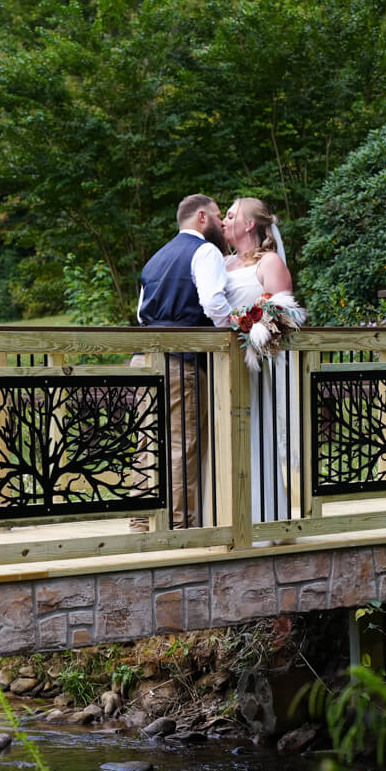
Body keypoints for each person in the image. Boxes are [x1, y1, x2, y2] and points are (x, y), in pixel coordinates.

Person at [131, 194, 240, 530]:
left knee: (147, 443)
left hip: (144, 358)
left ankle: (141, 523)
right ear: (202, 217)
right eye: (219, 216)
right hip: (181, 361)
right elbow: (212, 303)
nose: (222, 224)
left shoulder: (155, 258)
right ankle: (181, 528)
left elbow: (141, 314)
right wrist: (236, 329)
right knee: (181, 445)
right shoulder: (205, 251)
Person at [221, 197, 304, 524]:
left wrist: (254, 327)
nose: (224, 220)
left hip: (254, 367)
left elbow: (285, 315)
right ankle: (226, 520)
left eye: (231, 215)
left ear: (249, 224)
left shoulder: (268, 263)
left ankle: (263, 521)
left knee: (255, 439)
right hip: (221, 368)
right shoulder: (222, 265)